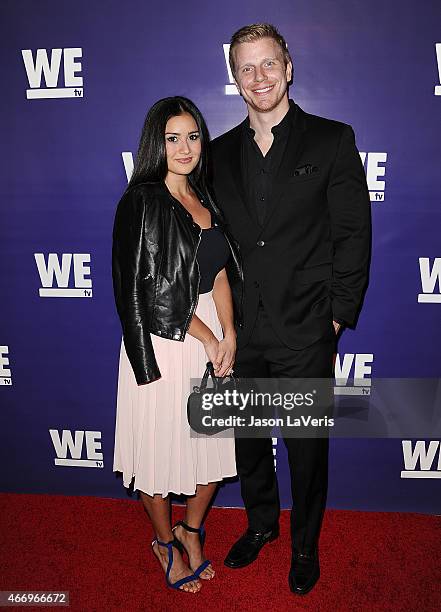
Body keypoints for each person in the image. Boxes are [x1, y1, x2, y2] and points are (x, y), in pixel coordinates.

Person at [210, 24, 371, 595]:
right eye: (246, 68)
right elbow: (215, 240)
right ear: (234, 77)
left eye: (268, 64)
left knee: (305, 451)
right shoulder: (218, 153)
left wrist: (335, 317)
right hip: (243, 330)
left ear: (289, 67)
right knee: (250, 441)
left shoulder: (331, 140)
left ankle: (305, 544)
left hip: (307, 327)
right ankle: (260, 526)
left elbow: (352, 235)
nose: (259, 77)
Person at [112, 96, 243, 593]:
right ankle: (164, 541)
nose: (185, 148)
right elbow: (148, 290)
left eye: (192, 136)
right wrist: (210, 337)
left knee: (213, 445)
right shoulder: (141, 201)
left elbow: (219, 273)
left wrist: (229, 333)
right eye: (173, 138)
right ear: (156, 144)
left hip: (211, 335)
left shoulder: (206, 199)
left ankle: (191, 529)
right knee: (158, 448)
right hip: (165, 338)